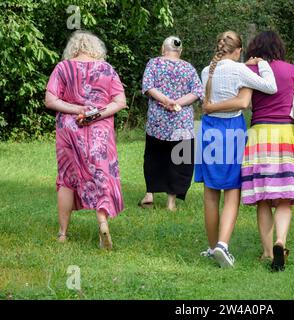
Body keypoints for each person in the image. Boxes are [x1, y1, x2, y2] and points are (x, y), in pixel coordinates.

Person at [206, 31, 294, 271]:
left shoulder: (249, 70)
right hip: (286, 135)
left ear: (255, 49)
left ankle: (267, 253)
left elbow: (240, 97)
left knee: (264, 198)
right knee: (285, 197)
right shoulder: (291, 69)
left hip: (259, 136)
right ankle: (280, 241)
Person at [196, 30, 278, 268]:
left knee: (211, 193)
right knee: (232, 191)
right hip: (231, 129)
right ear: (239, 50)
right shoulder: (240, 70)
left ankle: (212, 248)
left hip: (209, 129)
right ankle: (223, 245)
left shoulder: (206, 70)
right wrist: (260, 64)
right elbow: (270, 87)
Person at [44, 30, 127, 250]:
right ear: (95, 48)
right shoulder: (106, 69)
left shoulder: (63, 68)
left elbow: (50, 100)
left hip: (69, 129)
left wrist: (76, 108)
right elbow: (120, 101)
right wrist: (96, 113)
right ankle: (102, 223)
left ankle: (62, 234)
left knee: (67, 178)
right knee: (100, 174)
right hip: (99, 130)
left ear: (73, 49)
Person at [140, 36, 204, 211]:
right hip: (181, 123)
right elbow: (198, 92)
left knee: (153, 157)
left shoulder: (154, 64)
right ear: (180, 51)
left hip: (157, 122)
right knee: (179, 161)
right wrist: (177, 103)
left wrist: (166, 100)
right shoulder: (188, 67)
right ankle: (171, 203)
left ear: (163, 48)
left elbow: (148, 86)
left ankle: (149, 195)